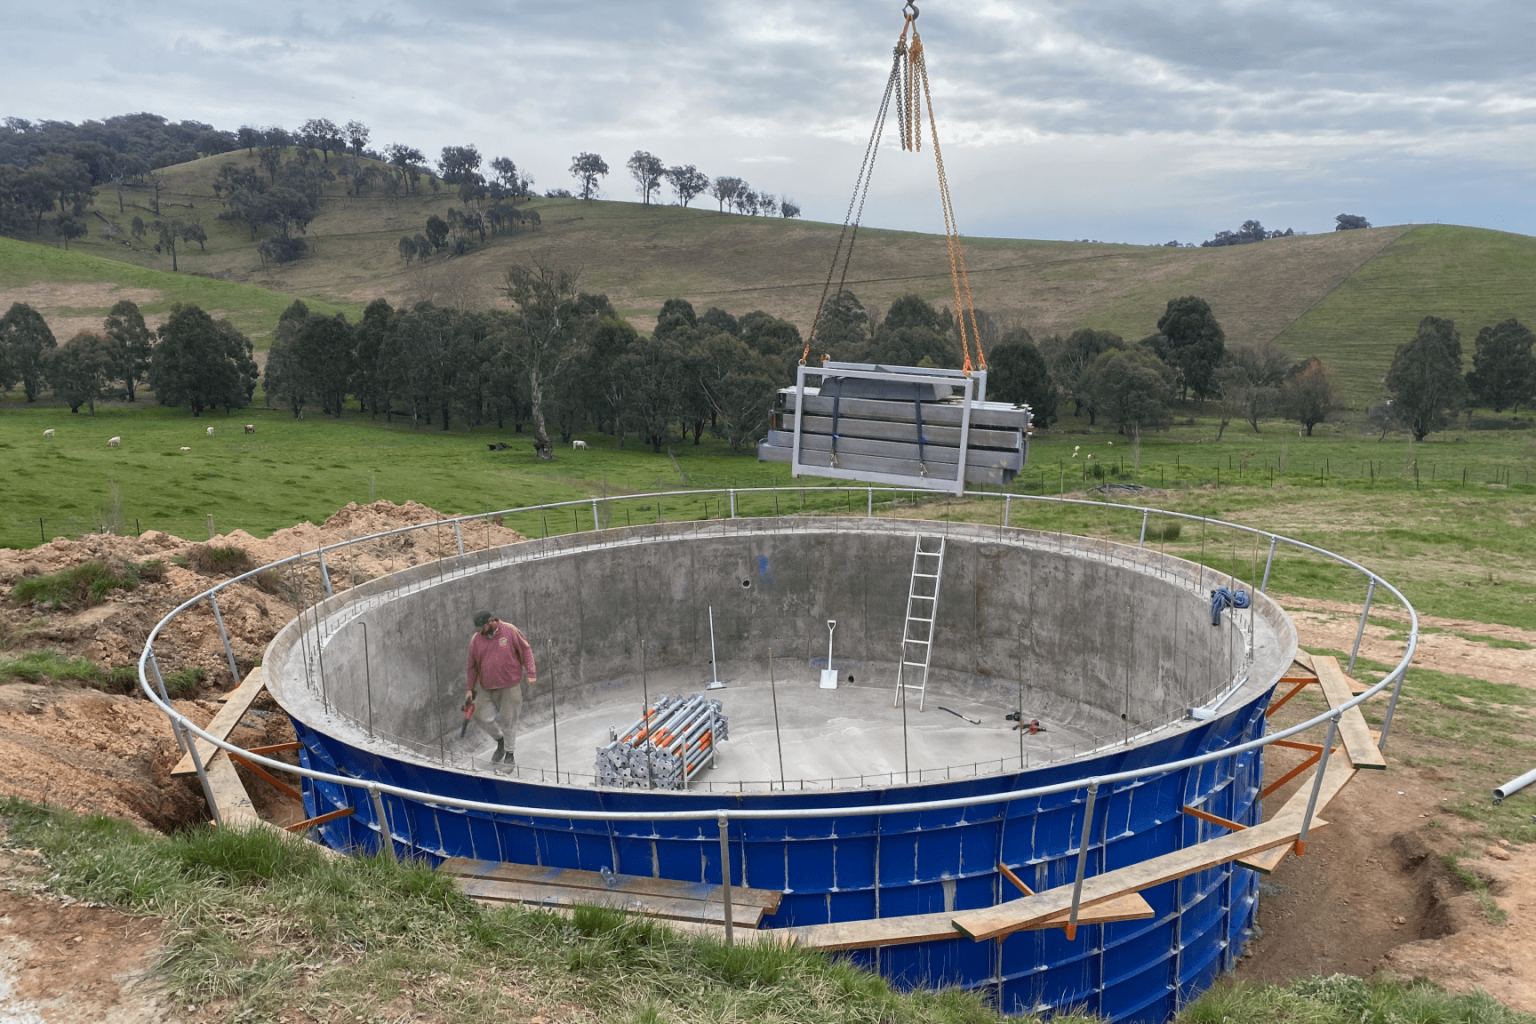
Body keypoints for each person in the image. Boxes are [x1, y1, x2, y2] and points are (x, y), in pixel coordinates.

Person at [465, 611, 537, 764]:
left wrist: (531, 672)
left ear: (490, 622)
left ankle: (509, 755)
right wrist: (470, 689)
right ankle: (500, 741)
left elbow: (525, 650)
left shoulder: (510, 630)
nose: (478, 631)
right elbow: (472, 666)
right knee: (479, 716)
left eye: (481, 627)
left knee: (508, 721)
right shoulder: (476, 639)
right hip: (486, 688)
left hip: (509, 687)